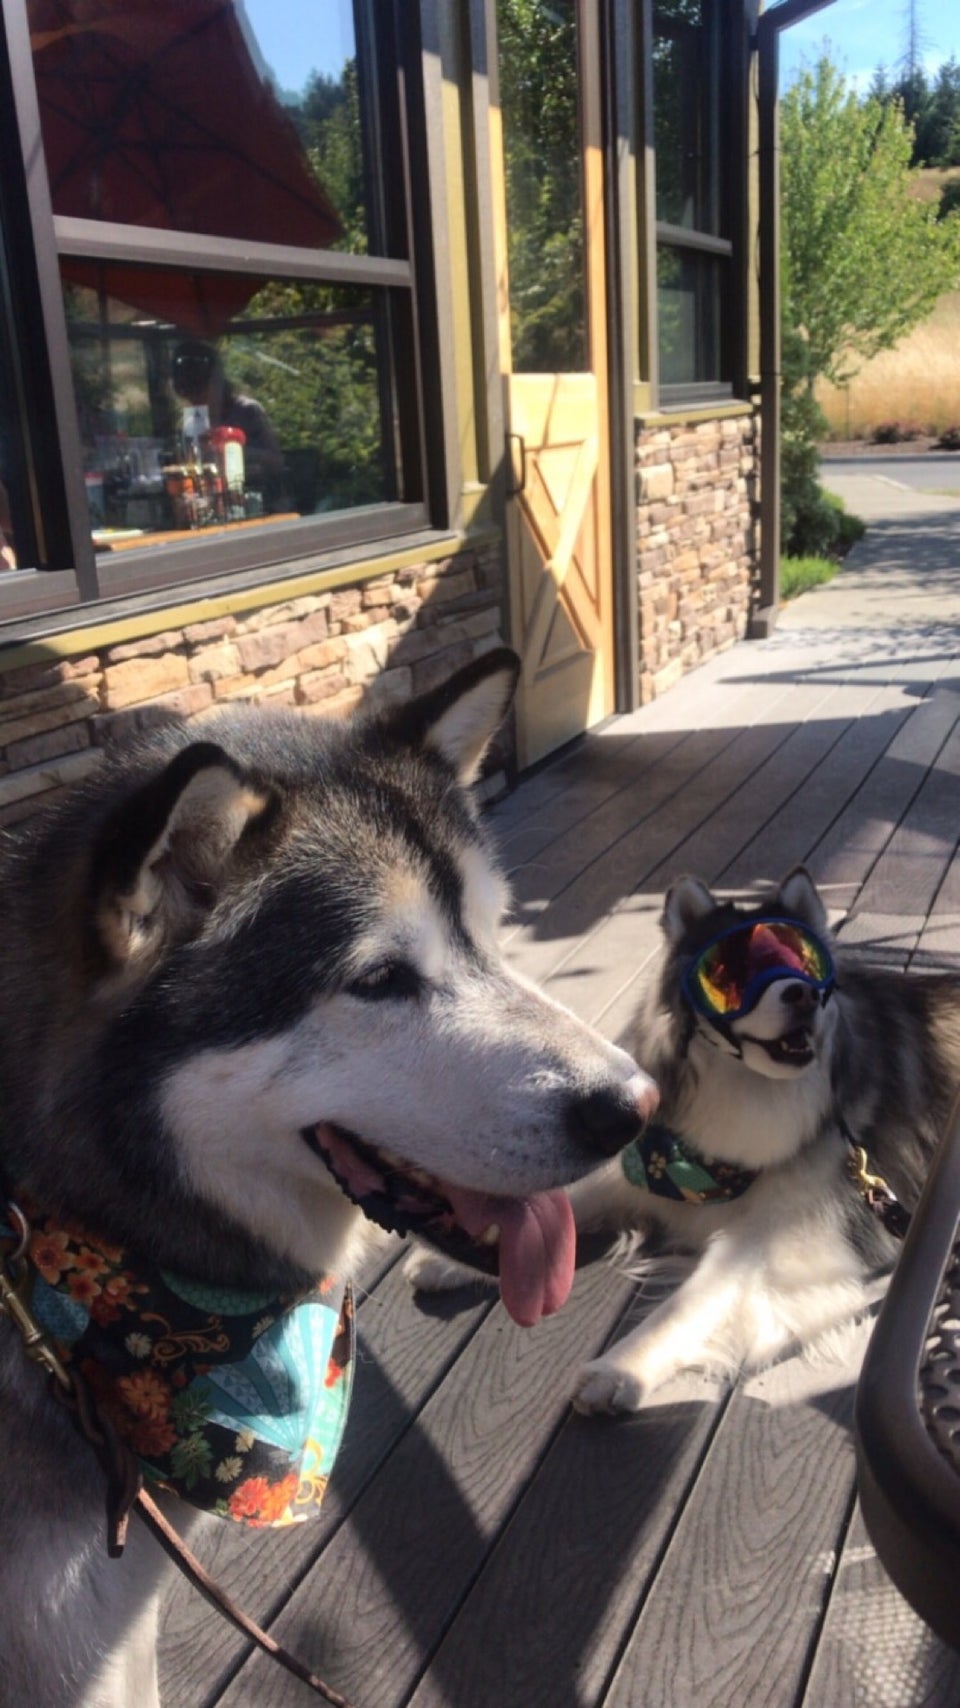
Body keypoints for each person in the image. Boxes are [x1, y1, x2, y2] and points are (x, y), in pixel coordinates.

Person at [170, 340, 285, 505]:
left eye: (201, 392)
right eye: (189, 396)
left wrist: (233, 453)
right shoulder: (189, 423)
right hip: (209, 502)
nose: (197, 402)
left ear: (217, 383)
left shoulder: (247, 411)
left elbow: (276, 461)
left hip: (256, 499)